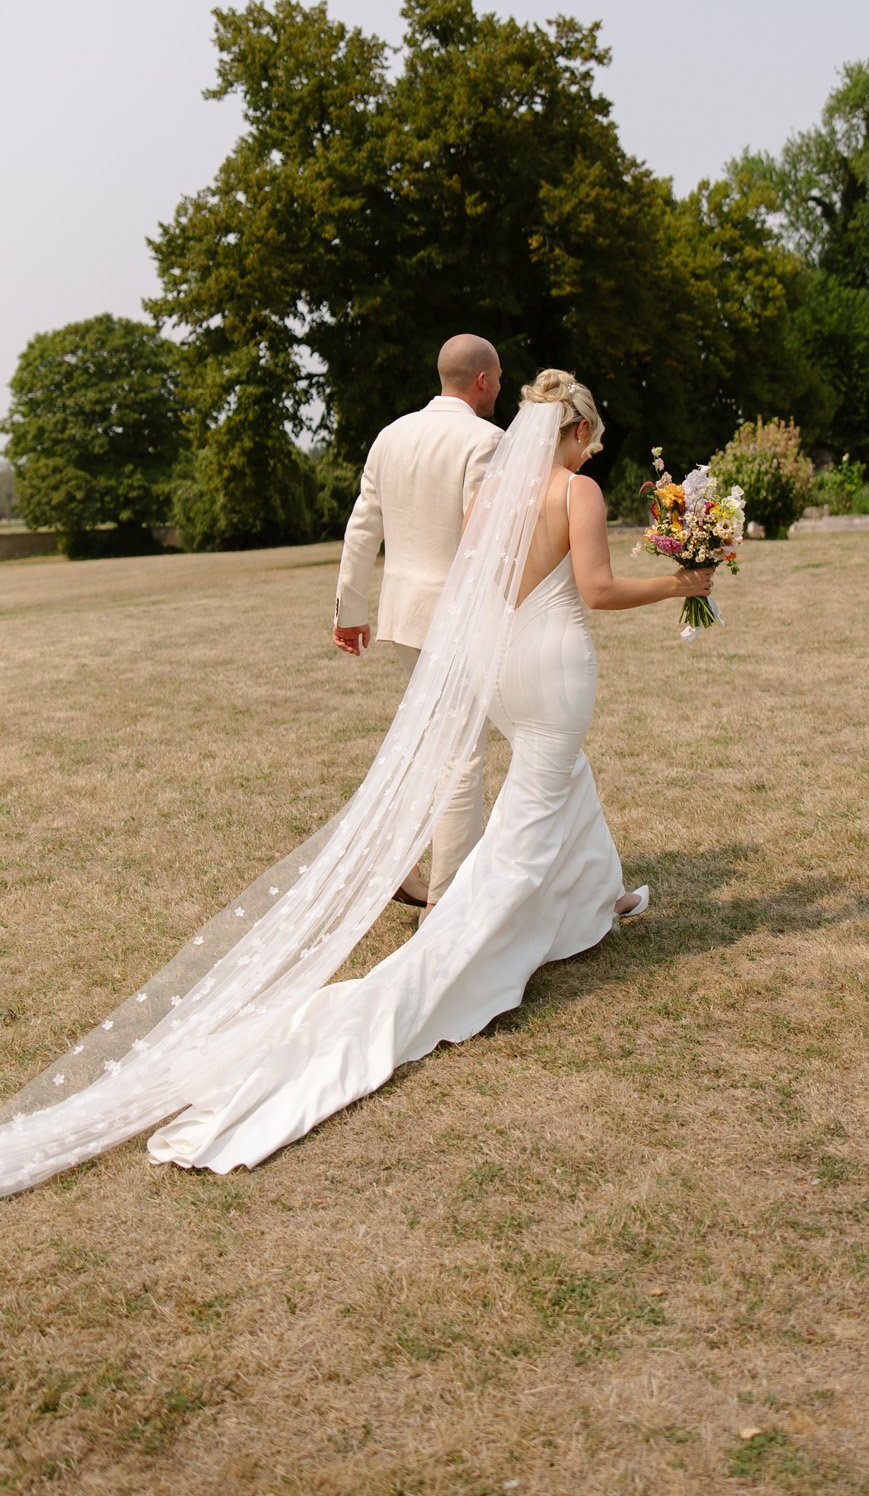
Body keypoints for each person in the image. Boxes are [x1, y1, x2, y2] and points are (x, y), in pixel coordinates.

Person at [0, 370, 712, 1192]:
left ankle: (601, 895)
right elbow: (595, 588)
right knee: (527, 821)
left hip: (503, 663)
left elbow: (478, 585)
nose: (593, 448)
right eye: (591, 436)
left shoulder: (492, 497)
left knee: (558, 781)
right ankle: (439, 967)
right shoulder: (575, 493)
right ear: (577, 433)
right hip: (553, 665)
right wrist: (679, 586)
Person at [334, 332, 503, 909]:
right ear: (481, 380)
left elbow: (363, 526)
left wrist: (349, 611)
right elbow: (484, 539)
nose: (501, 387)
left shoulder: (391, 435)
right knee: (461, 753)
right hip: (457, 619)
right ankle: (449, 899)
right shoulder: (486, 439)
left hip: (403, 617)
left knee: (430, 741)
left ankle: (395, 868)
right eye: (499, 378)